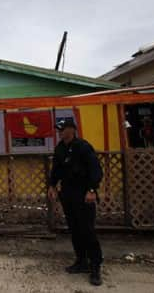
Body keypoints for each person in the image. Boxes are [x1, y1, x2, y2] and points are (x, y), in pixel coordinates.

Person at [48, 119, 104, 286]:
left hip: (84, 193)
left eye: (62, 128)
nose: (59, 131)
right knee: (74, 229)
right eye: (58, 129)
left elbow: (95, 169)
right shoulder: (60, 148)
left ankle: (95, 266)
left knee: (87, 229)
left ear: (72, 130)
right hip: (68, 193)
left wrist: (92, 190)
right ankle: (81, 261)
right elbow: (56, 169)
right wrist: (52, 185)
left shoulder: (83, 147)